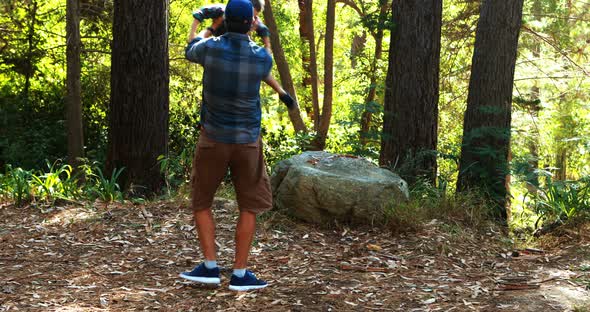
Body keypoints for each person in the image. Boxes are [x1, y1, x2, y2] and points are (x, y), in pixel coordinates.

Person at [180, 0, 283, 291]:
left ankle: (210, 268)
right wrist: (264, 34)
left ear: (226, 20)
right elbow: (268, 57)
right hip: (247, 142)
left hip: (213, 138)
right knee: (248, 206)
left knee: (202, 201)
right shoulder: (259, 58)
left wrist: (201, 21)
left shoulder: (211, 49)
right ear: (251, 22)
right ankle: (240, 273)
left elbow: (191, 47)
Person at [187, 0, 296, 108]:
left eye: (254, 17)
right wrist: (193, 33)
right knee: (257, 65)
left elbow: (264, 30)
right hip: (222, 46)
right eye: (251, 17)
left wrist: (267, 46)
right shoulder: (221, 10)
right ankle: (280, 92)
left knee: (256, 66)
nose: (253, 20)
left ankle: (281, 92)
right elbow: (200, 13)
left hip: (236, 46)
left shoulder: (254, 20)